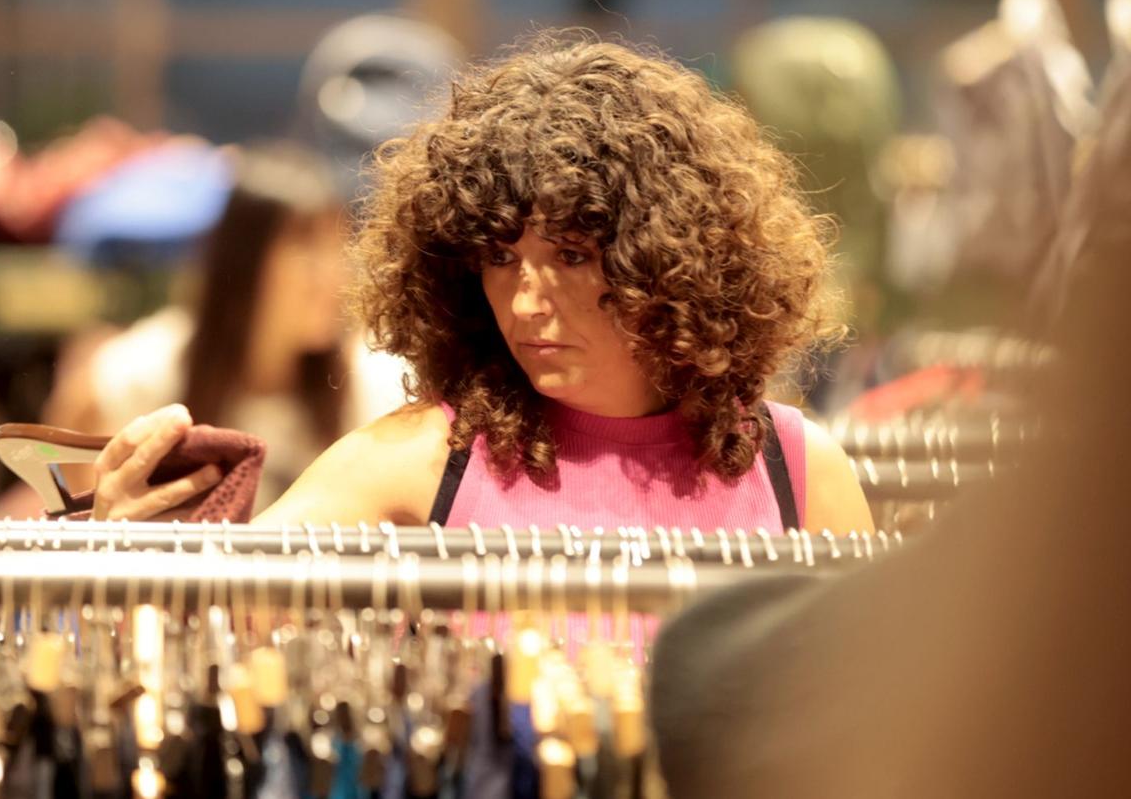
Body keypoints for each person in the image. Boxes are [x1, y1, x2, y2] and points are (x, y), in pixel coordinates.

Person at [88, 33, 872, 536]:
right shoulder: (420, 460)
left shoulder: (800, 471)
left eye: (570, 255)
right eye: (500, 259)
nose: (527, 302)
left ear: (669, 260)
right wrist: (127, 547)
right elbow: (209, 622)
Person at [43, 141, 407, 512]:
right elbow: (75, 416)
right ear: (245, 260)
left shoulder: (370, 381)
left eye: (338, 249)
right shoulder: (157, 367)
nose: (333, 276)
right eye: (307, 248)